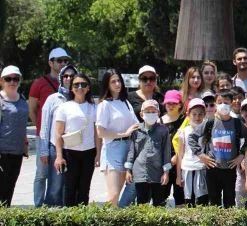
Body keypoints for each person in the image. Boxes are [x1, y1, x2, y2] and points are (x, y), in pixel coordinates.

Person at [189, 90, 247, 207]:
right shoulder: (210, 122)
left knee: (229, 202)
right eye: (220, 102)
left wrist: (241, 155)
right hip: (212, 168)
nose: (223, 105)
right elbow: (191, 137)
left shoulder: (237, 123)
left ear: (231, 104)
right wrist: (201, 155)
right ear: (216, 104)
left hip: (230, 169)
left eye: (226, 102)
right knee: (214, 203)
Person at [28, 47, 71, 208]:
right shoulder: (39, 83)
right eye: (59, 60)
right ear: (50, 63)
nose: (63, 63)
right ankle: (39, 205)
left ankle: (58, 203)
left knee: (59, 174)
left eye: (65, 60)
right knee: (42, 173)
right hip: (44, 136)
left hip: (62, 138)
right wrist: (40, 127)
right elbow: (32, 109)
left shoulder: (71, 83)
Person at [53, 72, 100, 206]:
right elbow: (58, 134)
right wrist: (59, 156)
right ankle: (69, 215)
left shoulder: (94, 107)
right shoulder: (64, 107)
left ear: (88, 88)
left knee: (84, 188)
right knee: (69, 187)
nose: (80, 87)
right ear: (71, 88)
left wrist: (98, 154)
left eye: (83, 85)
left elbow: (97, 134)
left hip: (89, 152)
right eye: (76, 85)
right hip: (69, 152)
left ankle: (82, 215)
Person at [95, 69, 139, 207]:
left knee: (121, 192)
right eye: (113, 81)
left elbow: (136, 124)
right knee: (113, 195)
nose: (117, 84)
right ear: (107, 84)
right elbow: (100, 132)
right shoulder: (104, 105)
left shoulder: (125, 102)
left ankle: (120, 216)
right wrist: (124, 134)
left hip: (128, 148)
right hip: (113, 149)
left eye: (119, 80)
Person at [37, 64, 76, 206]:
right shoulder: (53, 99)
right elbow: (45, 125)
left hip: (74, 149)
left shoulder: (79, 98)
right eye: (66, 76)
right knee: (55, 185)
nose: (69, 78)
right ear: (61, 78)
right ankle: (51, 212)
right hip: (55, 148)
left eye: (72, 76)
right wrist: (44, 150)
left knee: (71, 185)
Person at [125, 99, 171, 205]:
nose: (150, 114)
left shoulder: (163, 130)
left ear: (158, 113)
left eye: (153, 111)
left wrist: (166, 173)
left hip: (158, 173)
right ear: (141, 114)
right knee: (142, 203)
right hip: (140, 172)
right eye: (147, 112)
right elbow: (132, 151)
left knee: (158, 203)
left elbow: (166, 152)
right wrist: (128, 170)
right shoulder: (136, 130)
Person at [0, 65, 29, 206]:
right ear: (2, 81)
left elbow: (22, 125)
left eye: (15, 79)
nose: (12, 82)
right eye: (8, 79)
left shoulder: (22, 99)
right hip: (2, 152)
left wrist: (25, 144)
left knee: (10, 187)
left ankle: (5, 215)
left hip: (17, 152)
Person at [176, 98, 208, 206]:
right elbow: (180, 155)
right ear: (188, 114)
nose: (197, 117)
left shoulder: (207, 131)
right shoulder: (184, 131)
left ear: (204, 115)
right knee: (189, 199)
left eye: (200, 114)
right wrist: (178, 175)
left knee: (203, 199)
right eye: (194, 114)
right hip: (188, 168)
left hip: (202, 168)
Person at [161, 89, 186, 206]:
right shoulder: (159, 121)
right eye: (168, 103)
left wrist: (177, 156)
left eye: (174, 103)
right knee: (161, 196)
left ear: (180, 104)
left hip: (181, 162)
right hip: (164, 163)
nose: (171, 106)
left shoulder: (185, 120)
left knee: (181, 196)